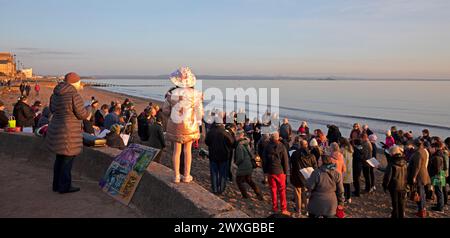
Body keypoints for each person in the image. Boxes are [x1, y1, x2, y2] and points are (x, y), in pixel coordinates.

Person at [46, 72, 89, 194]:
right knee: (67, 161)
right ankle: (65, 187)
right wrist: (88, 109)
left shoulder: (55, 94)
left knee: (59, 159)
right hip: (69, 132)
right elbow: (82, 115)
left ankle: (56, 185)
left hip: (56, 129)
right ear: (75, 83)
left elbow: (52, 109)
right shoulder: (74, 95)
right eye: (79, 82)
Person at [163, 67, 203, 183]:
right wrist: (198, 120)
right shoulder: (195, 94)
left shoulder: (171, 94)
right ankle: (186, 175)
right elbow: (199, 112)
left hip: (175, 125)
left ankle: (176, 176)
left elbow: (165, 111)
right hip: (189, 125)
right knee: (187, 151)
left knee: (176, 151)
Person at [263, 132, 291, 216]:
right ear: (278, 138)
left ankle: (275, 208)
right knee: (282, 191)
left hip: (271, 171)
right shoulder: (282, 146)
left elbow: (264, 160)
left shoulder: (267, 146)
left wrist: (265, 171)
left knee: (273, 190)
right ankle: (283, 209)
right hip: (280, 171)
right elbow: (285, 161)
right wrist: (286, 172)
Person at [205, 116, 234, 194]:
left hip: (213, 156)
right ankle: (221, 189)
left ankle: (214, 189)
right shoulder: (226, 132)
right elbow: (232, 142)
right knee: (223, 173)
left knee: (214, 173)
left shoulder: (210, 132)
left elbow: (206, 142)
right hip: (224, 156)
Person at [290, 140, 318, 217]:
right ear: (307, 145)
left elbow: (292, 164)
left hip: (297, 177)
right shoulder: (312, 155)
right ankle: (306, 211)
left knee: (298, 194)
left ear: (300, 145)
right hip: (307, 177)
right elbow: (315, 167)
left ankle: (298, 211)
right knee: (306, 195)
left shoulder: (295, 154)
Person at [234, 130, 263, 200]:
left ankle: (245, 195)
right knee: (249, 180)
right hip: (249, 164)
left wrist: (235, 164)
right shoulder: (246, 143)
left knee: (238, 181)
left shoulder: (239, 145)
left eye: (236, 136)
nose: (235, 137)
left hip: (244, 166)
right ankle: (258, 193)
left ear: (239, 136)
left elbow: (240, 158)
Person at [407, 139, 431, 218]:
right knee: (422, 193)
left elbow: (417, 166)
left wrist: (414, 177)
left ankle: (421, 211)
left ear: (416, 145)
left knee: (420, 193)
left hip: (419, 176)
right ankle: (423, 209)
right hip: (424, 174)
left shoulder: (418, 153)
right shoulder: (424, 151)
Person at [383, 146, 408, 218]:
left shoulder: (392, 163)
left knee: (395, 203)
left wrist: (385, 185)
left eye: (390, 153)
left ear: (393, 153)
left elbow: (387, 177)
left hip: (394, 186)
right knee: (401, 203)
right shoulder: (405, 162)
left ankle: (395, 215)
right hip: (403, 185)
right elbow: (407, 174)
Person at [428, 142, 446, 212]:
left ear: (435, 148)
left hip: (437, 175)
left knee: (439, 191)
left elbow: (437, 169)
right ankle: (440, 205)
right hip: (440, 174)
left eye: (431, 148)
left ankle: (440, 207)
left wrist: (433, 177)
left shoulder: (437, 156)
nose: (430, 149)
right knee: (439, 191)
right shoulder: (440, 154)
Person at [339, 138, 353, 203]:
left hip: (345, 168)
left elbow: (343, 159)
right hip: (349, 168)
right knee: (348, 184)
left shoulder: (343, 150)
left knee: (344, 184)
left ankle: (345, 197)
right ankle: (349, 198)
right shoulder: (350, 149)